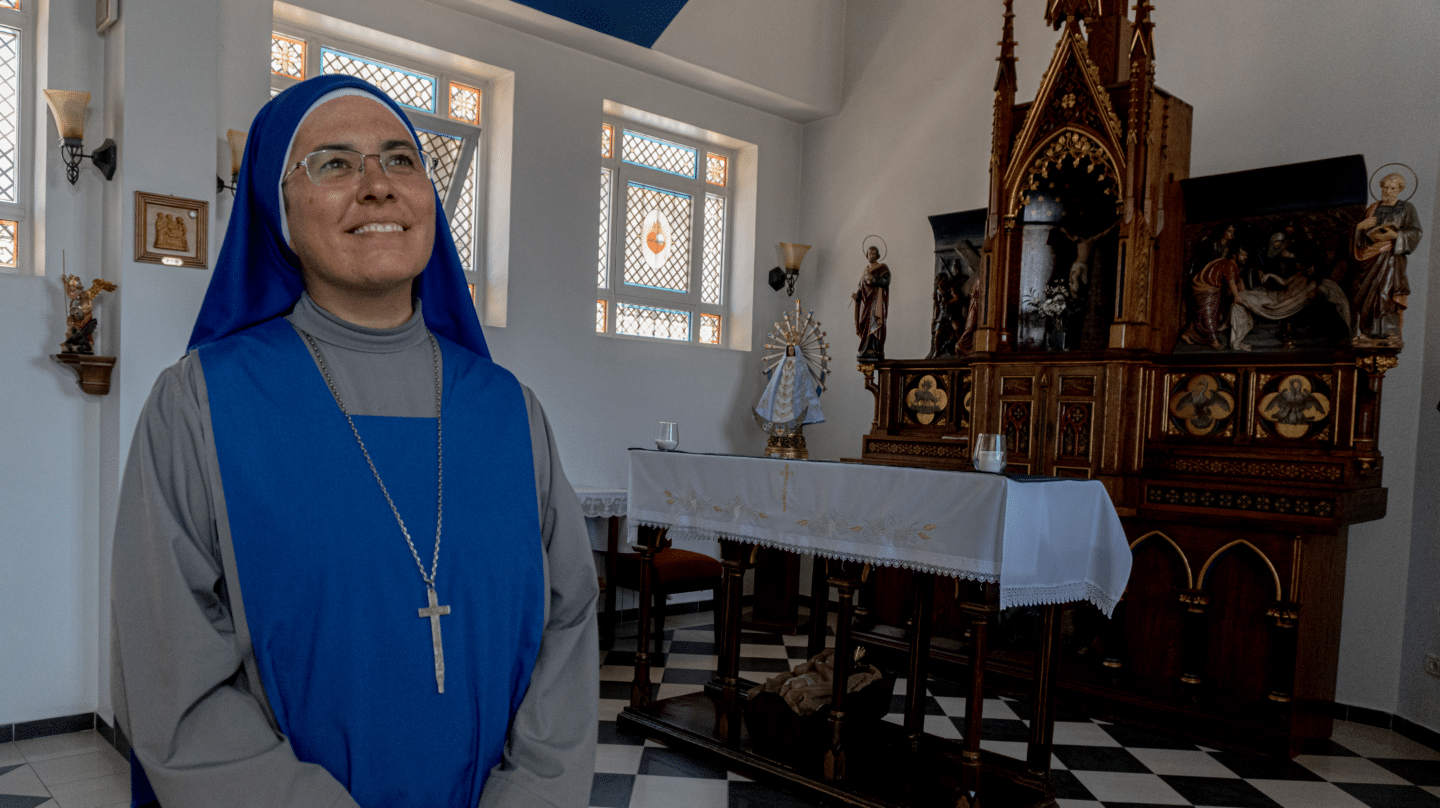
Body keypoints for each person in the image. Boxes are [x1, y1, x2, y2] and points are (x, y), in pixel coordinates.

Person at [110, 75, 598, 808]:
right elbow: (169, 667)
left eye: (401, 160)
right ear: (277, 210)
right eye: (334, 163)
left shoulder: (509, 412)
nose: (377, 186)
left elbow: (567, 622)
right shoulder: (200, 404)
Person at [1351, 171, 1423, 340]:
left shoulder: (1407, 208)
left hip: (1391, 258)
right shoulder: (1372, 208)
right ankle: (1368, 332)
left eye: (1393, 188)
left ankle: (1389, 332)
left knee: (1385, 294)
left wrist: (1396, 236)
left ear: (1399, 190)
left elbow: (1415, 232)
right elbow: (1359, 238)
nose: (1388, 191)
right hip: (1369, 259)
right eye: (1385, 187)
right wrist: (1360, 227)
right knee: (1368, 295)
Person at [853, 245, 890, 360]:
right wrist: (857, 296)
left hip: (876, 301)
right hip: (866, 302)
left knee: (875, 322)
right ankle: (865, 347)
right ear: (867, 255)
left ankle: (875, 348)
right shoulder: (865, 270)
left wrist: (873, 278)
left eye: (874, 253)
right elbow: (861, 287)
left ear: (878, 255)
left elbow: (886, 281)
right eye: (869, 253)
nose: (871, 255)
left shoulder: (882, 268)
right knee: (865, 324)